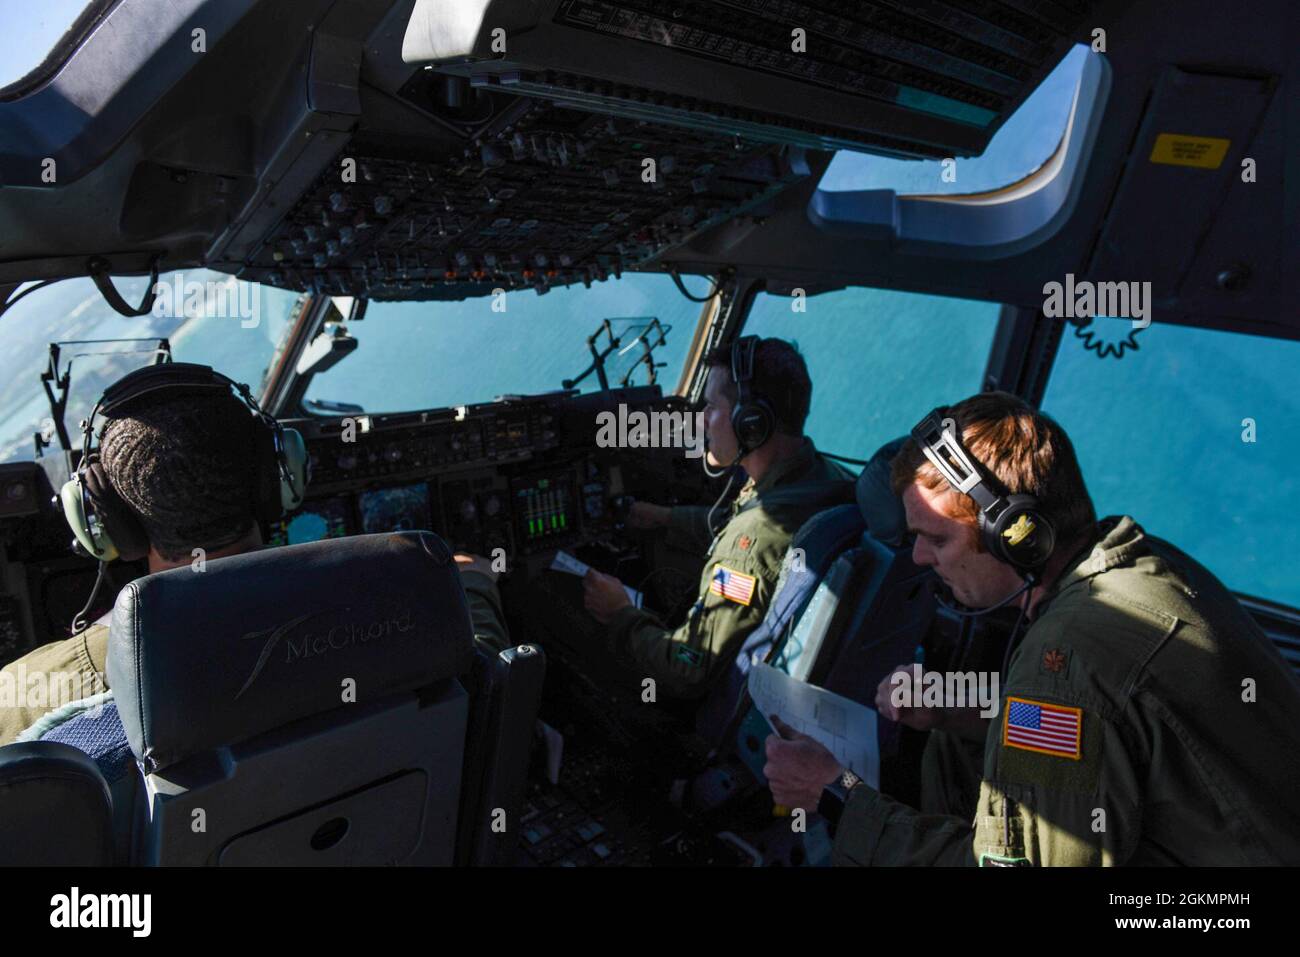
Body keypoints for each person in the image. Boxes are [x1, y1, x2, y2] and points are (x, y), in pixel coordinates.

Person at [764, 390, 1300, 865]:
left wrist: (836, 792)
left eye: (937, 538)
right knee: (952, 748)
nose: (922, 558)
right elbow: (1105, 715)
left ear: (1016, 535)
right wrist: (959, 706)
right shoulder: (1145, 563)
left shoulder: (1065, 658)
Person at [0, 366, 509, 745]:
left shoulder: (29, 696)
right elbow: (483, 684)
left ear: (108, 527)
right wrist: (472, 585)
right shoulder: (392, 603)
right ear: (277, 480)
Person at [582, 336, 854, 700]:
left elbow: (686, 666)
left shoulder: (753, 541)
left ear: (751, 422)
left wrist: (620, 614)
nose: (702, 421)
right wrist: (666, 518)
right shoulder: (823, 475)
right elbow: (734, 522)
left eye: (711, 407)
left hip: (708, 712)